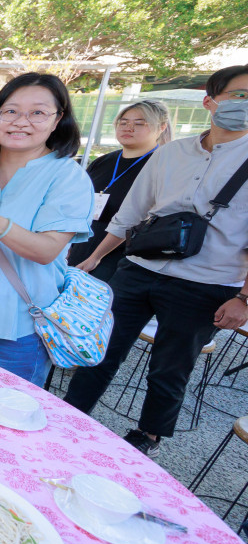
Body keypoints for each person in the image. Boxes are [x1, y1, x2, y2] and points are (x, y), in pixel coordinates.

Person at [65, 65, 248, 458]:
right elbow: (131, 213)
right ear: (210, 101)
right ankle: (69, 414)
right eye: (239, 95)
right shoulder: (171, 152)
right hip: (140, 269)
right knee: (100, 348)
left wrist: (244, 299)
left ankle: (146, 437)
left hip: (208, 283)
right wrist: (95, 257)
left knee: (171, 367)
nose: (244, 106)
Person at [0, 72, 94, 387]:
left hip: (17, 330)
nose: (20, 121)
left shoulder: (67, 176)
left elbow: (47, 250)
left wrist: (0, 226)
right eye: (10, 111)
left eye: (37, 112)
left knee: (5, 418)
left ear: (57, 120)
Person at [68, 100, 171, 282]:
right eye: (123, 122)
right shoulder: (104, 161)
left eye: (139, 123)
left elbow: (135, 218)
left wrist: (95, 257)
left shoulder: (163, 165)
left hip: (122, 259)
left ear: (162, 127)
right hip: (82, 248)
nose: (128, 128)